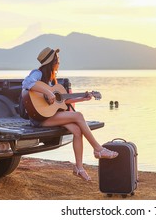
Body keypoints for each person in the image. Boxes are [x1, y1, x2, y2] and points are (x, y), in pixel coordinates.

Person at [22, 47, 118, 181]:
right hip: (40, 118)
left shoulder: (52, 80)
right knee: (78, 116)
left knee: (77, 130)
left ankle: (79, 168)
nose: (59, 63)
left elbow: (62, 101)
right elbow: (26, 83)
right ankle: (98, 149)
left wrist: (82, 98)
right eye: (58, 60)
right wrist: (48, 92)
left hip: (50, 116)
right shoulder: (37, 73)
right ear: (52, 61)